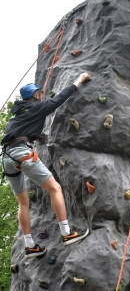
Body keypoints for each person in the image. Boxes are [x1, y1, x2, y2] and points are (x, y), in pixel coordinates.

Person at [1, 73, 91, 259]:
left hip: (7, 158)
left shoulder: (15, 118)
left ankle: (30, 246)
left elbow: (20, 132)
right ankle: (67, 234)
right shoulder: (36, 108)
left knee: (23, 203)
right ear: (35, 96)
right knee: (55, 188)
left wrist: (37, 135)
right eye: (40, 94)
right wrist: (79, 81)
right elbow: (57, 100)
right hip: (23, 153)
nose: (41, 96)